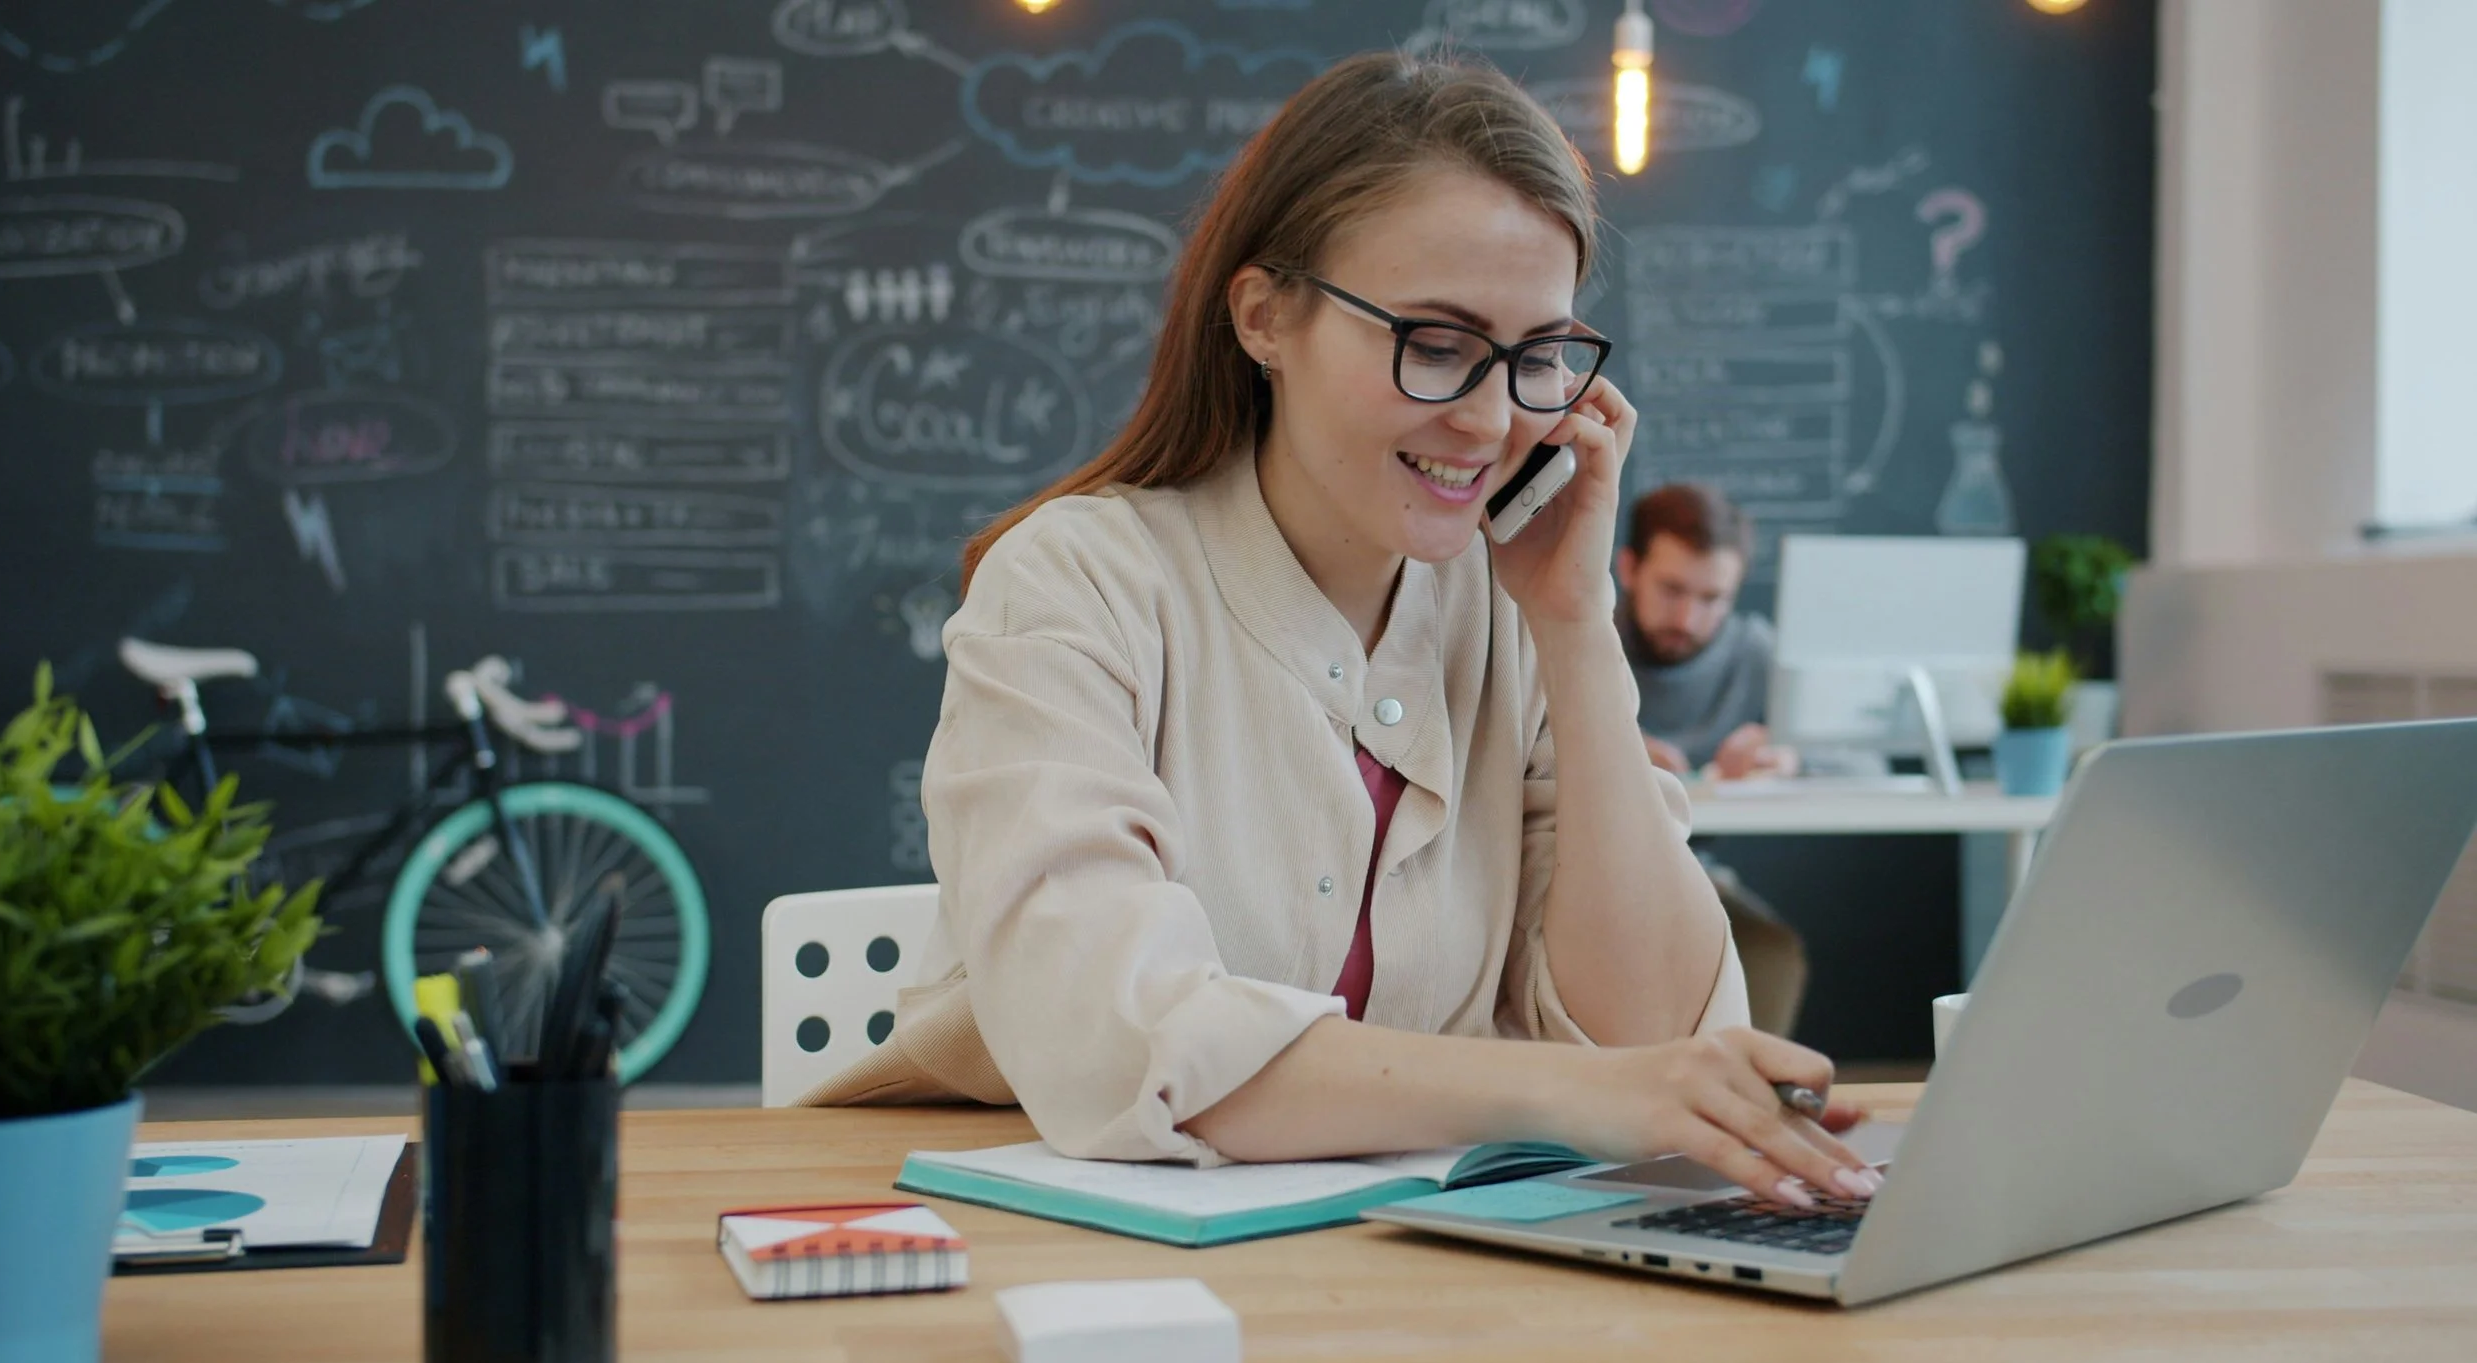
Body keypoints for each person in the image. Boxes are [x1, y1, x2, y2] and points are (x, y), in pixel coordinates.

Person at [804, 51, 1877, 1208]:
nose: (1488, 416)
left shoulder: (1511, 609)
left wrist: (1574, 626)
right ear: (1266, 315)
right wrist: (1564, 1092)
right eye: (1437, 342)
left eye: (1536, 358)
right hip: (1055, 1238)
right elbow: (1126, 1041)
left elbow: (1660, 1032)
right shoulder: (1073, 582)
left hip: (1408, 1263)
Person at [1613, 482, 1809, 1035]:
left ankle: (1739, 1109)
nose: (1688, 617)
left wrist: (1788, 755)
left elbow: (1866, 763)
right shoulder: (1581, 635)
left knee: (1769, 955)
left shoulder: (1754, 651)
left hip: (1699, 879)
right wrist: (1606, 749)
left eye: (1712, 599)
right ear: (1629, 570)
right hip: (1575, 876)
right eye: (1671, 589)